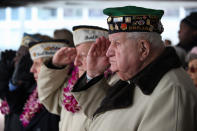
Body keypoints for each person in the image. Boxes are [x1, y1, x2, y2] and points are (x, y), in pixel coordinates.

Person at [71, 6, 197, 131]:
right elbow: (103, 116)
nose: (108, 52)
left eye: (117, 43)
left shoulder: (171, 92)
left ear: (143, 48)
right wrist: (94, 75)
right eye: (110, 43)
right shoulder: (136, 75)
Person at [37, 25, 110, 131]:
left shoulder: (112, 85)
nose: (76, 62)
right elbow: (49, 99)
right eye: (76, 55)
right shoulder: (72, 84)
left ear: (104, 56)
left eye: (84, 56)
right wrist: (55, 65)